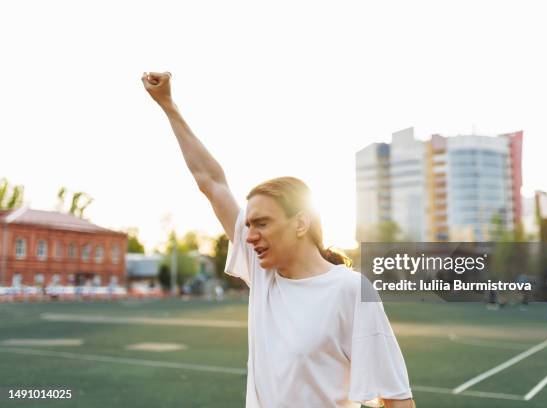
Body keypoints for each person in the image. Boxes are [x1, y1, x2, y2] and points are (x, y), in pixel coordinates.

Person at [142, 72, 415, 408]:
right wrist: (169, 106)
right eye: (248, 224)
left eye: (262, 224)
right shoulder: (263, 273)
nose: (249, 235)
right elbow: (211, 182)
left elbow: (397, 399)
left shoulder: (350, 291)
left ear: (300, 223)